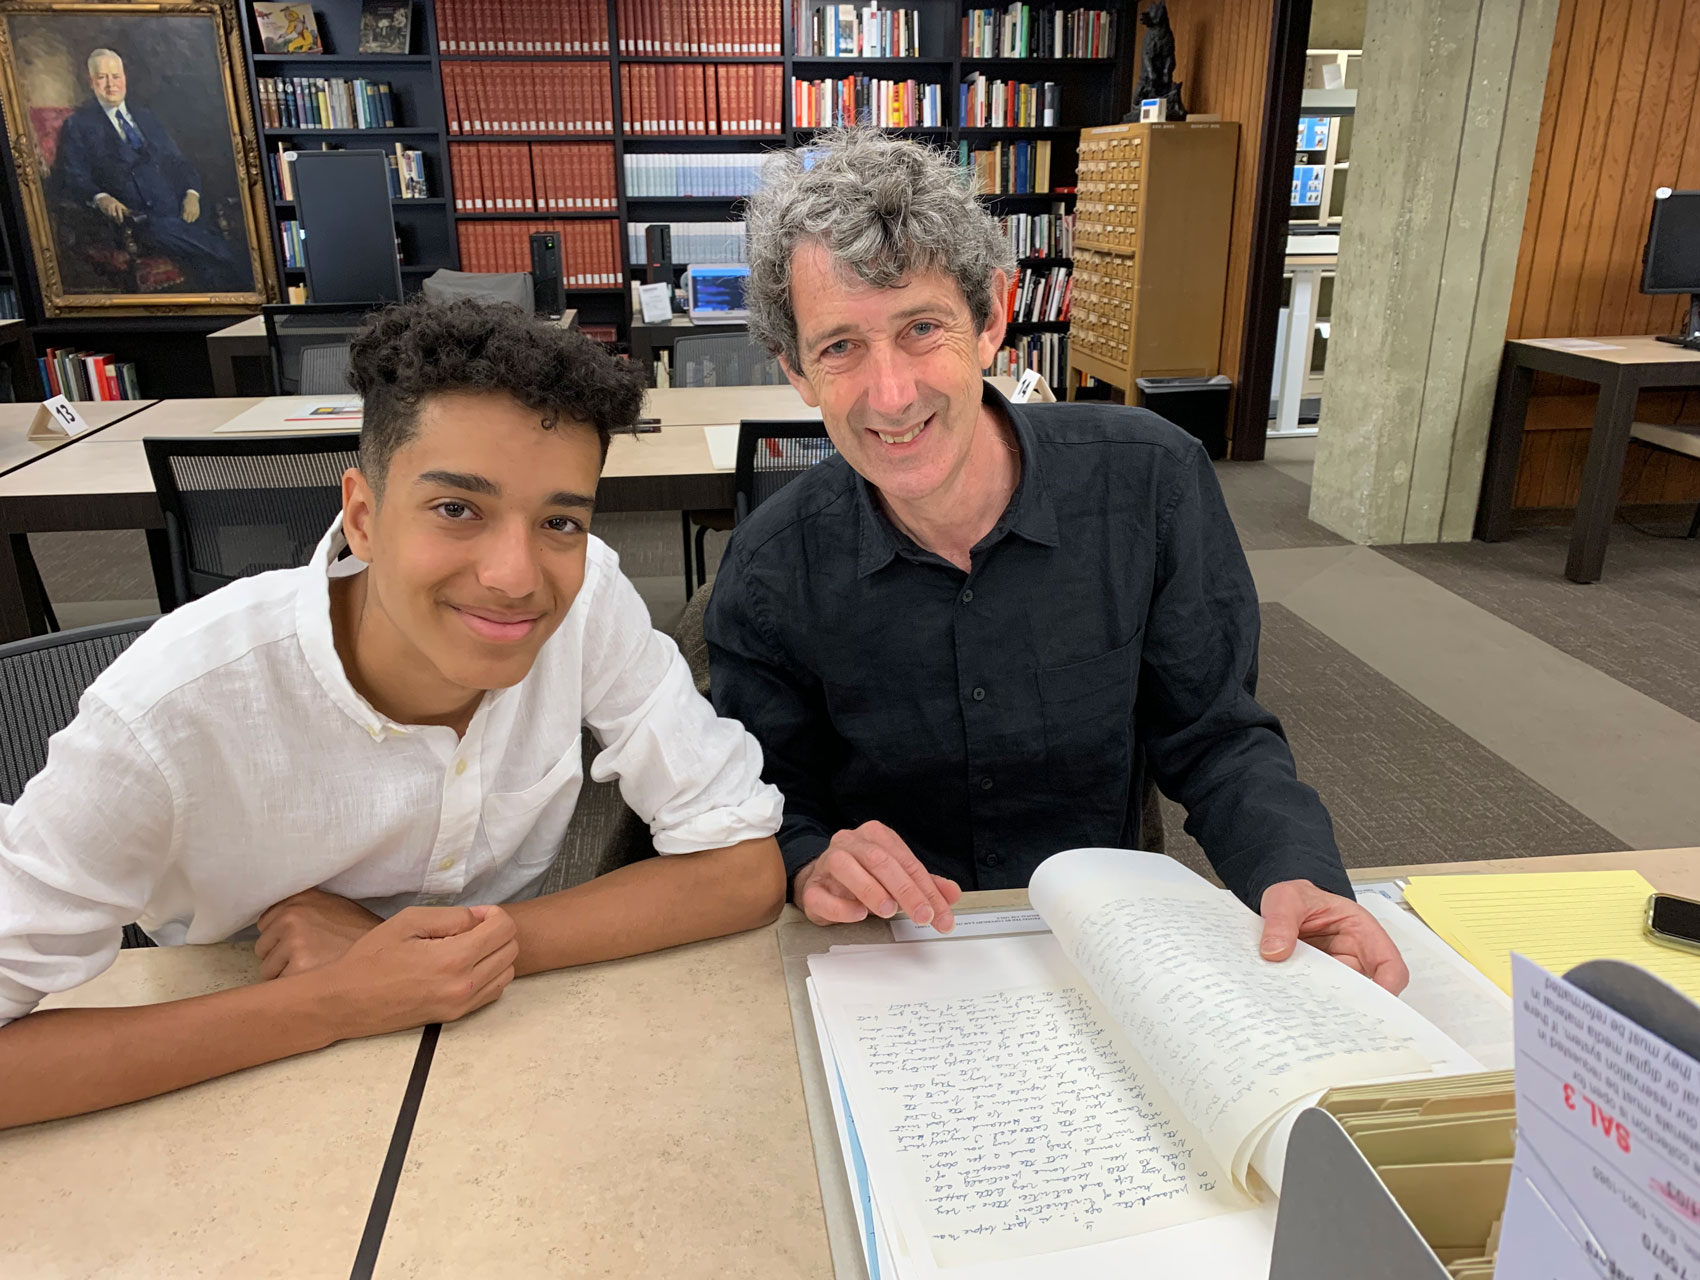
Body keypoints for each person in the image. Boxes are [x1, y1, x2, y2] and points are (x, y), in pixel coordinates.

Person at [0, 299, 787, 1129]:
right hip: (229, 1082)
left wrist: (449, 949)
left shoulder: (586, 599)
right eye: (457, 509)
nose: (517, 576)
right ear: (364, 517)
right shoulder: (167, 709)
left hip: (490, 1060)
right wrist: (341, 999)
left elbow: (742, 867)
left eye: (560, 521)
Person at [704, 129, 1408, 993]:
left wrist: (1293, 872)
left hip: (1110, 951)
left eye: (922, 328)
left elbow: (1216, 736)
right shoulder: (769, 570)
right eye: (841, 346)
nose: (890, 394)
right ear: (796, 371)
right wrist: (811, 860)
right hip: (895, 968)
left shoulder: (1150, 482)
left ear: (994, 317)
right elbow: (769, 801)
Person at [53, 48, 246, 291]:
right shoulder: (78, 125)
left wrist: (191, 193)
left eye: (116, 76)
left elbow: (179, 162)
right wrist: (101, 198)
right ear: (92, 83)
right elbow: (74, 175)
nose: (111, 84)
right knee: (203, 247)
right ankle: (236, 261)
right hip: (136, 220)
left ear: (125, 79)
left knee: (210, 269)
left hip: (179, 210)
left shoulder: (146, 118)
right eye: (102, 77)